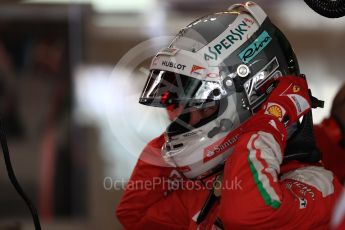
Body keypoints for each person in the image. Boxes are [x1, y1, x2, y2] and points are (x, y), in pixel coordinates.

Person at [117, 2, 343, 229]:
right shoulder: (217, 187)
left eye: (204, 107)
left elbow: (248, 214)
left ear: (252, 97)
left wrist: (271, 118)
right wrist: (173, 141)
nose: (190, 121)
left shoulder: (318, 186)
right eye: (186, 110)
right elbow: (136, 217)